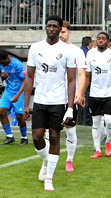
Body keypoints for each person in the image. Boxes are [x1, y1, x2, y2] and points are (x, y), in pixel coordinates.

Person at [24, 15, 76, 191]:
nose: (51, 29)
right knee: (37, 138)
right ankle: (46, 161)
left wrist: (70, 108)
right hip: (39, 101)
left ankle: (49, 178)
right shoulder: (35, 47)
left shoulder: (68, 50)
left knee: (54, 137)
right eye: (49, 26)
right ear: (45, 28)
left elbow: (71, 80)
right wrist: (26, 104)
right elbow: (29, 76)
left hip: (58, 102)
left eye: (55, 26)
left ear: (60, 29)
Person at [85, 32, 111, 158]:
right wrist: (83, 93)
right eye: (98, 39)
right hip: (94, 94)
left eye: (103, 39)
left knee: (109, 121)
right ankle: (98, 150)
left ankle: (108, 142)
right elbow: (87, 75)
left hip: (109, 94)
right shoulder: (90, 53)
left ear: (107, 41)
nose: (100, 41)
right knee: (95, 122)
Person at [58, 20, 86, 171]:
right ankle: (49, 161)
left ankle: (69, 160)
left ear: (69, 32)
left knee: (70, 128)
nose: (60, 34)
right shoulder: (50, 49)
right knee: (51, 130)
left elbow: (82, 74)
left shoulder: (77, 51)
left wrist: (80, 93)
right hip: (53, 97)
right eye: (59, 31)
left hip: (69, 97)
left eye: (63, 31)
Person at [0, 49, 28, 145]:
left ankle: (24, 137)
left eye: (2, 62)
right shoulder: (1, 63)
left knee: (19, 116)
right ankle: (9, 136)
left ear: (6, 58)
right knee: (1, 112)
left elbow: (25, 81)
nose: (1, 65)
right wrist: (3, 78)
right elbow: (2, 77)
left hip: (19, 91)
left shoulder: (17, 64)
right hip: (8, 91)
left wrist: (18, 94)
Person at [80, 36, 92, 126]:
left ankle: (82, 120)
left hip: (78, 80)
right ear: (89, 43)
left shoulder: (78, 51)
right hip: (85, 80)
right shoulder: (87, 53)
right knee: (86, 101)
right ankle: (86, 121)